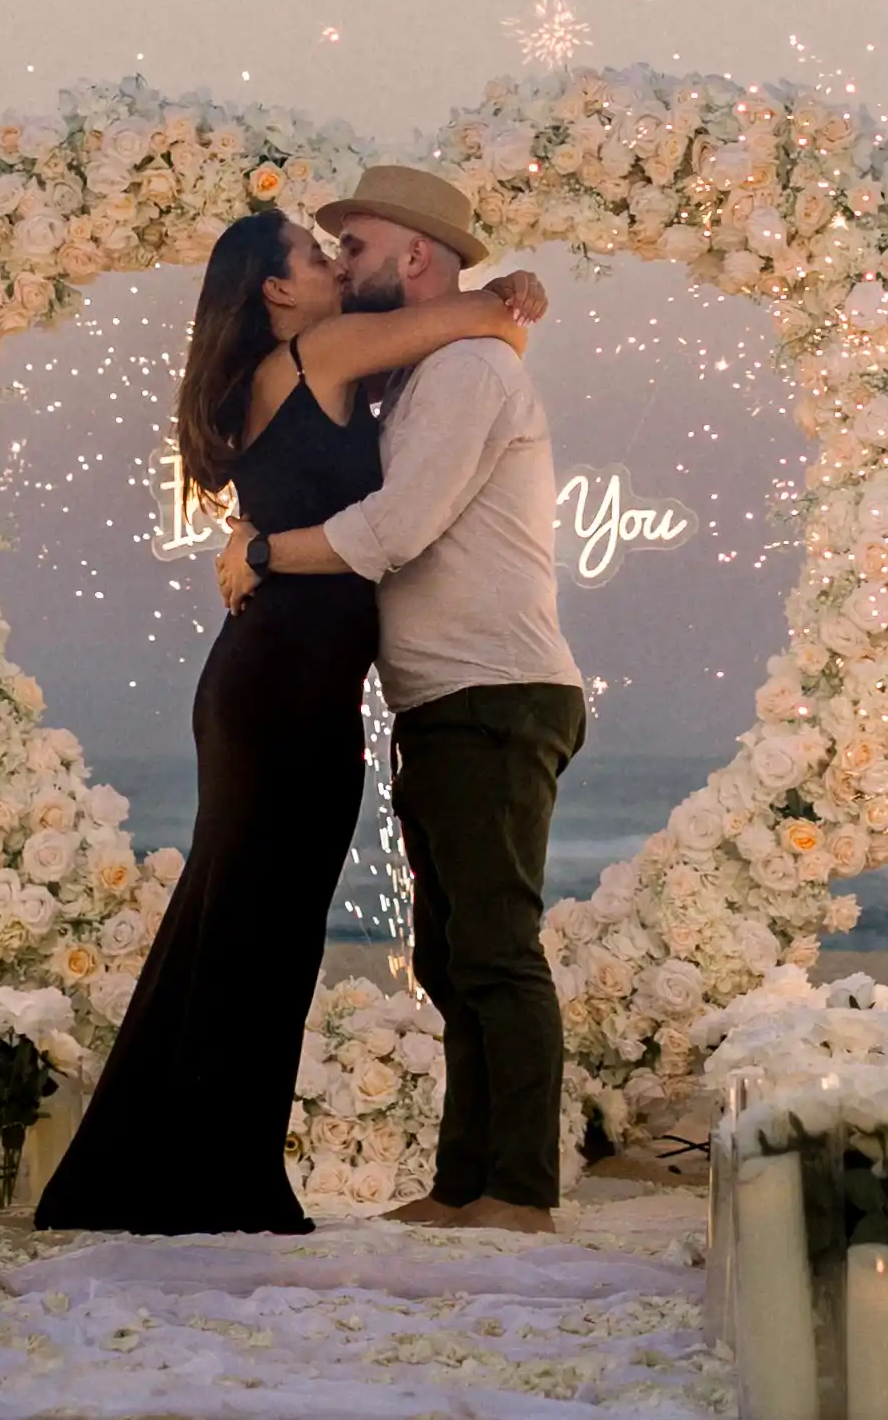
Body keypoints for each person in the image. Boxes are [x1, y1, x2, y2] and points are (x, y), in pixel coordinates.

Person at [32, 205, 545, 1234]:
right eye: (317, 256)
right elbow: (485, 319)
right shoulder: (323, 346)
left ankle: (180, 1172)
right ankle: (215, 1183)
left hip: (277, 681)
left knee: (240, 926)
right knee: (257, 932)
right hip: (280, 689)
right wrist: (514, 294)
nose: (330, 265)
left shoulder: (299, 366)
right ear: (277, 290)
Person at [223, 163, 585, 1233]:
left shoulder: (468, 371)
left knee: (493, 948)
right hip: (446, 696)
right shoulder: (428, 368)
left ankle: (517, 1189)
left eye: (361, 247)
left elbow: (393, 530)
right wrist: (504, 295)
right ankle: (465, 1180)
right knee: (448, 950)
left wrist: (255, 550)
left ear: (414, 258)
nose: (345, 263)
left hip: (494, 690)